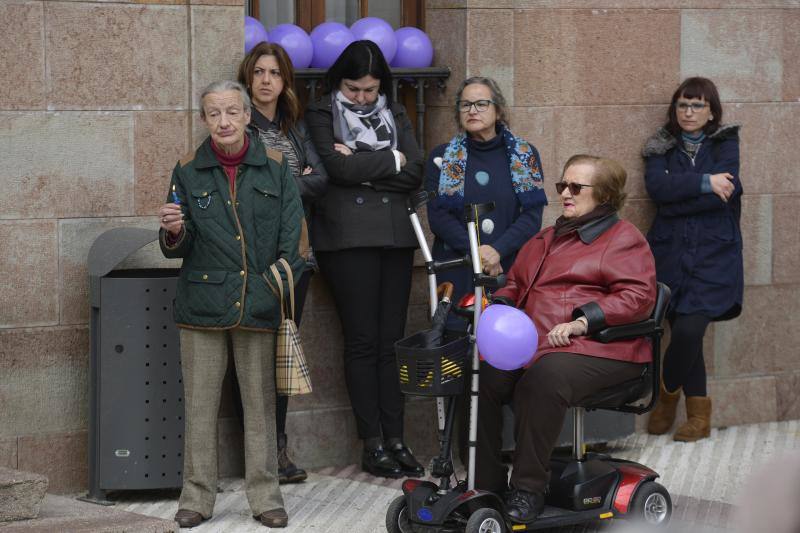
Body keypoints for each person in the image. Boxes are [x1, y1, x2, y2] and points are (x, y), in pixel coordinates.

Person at [477, 155, 657, 523]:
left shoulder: (623, 238)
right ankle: (486, 484)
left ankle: (528, 490)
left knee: (544, 378)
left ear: (604, 195)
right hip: (538, 345)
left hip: (605, 348)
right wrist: (497, 307)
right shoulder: (544, 239)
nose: (565, 194)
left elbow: (639, 296)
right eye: (562, 185)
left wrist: (583, 320)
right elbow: (515, 285)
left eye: (576, 187)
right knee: (483, 375)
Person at [158, 80, 304, 529]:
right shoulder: (186, 169)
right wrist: (174, 232)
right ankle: (196, 498)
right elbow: (177, 246)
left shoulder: (277, 167)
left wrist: (266, 291)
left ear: (245, 116)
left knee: (259, 407)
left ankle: (265, 498)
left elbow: (294, 242)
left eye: (231, 112)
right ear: (204, 120)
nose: (223, 122)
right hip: (201, 305)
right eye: (213, 113)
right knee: (200, 407)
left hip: (258, 303)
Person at [304, 40, 425, 479]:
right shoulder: (320, 113)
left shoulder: (396, 111)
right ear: (339, 81)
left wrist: (369, 164)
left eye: (370, 90)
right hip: (346, 238)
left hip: (395, 236)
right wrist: (390, 161)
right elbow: (336, 173)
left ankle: (397, 438)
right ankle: (372, 442)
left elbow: (417, 170)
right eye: (353, 89)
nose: (361, 98)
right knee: (362, 340)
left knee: (392, 341)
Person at [235, 41, 328, 484]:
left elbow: (322, 179)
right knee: (253, 355)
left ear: (285, 80)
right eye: (259, 72)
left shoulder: (293, 127)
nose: (266, 80)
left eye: (274, 72)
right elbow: (252, 186)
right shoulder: (239, 126)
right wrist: (295, 180)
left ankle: (277, 449)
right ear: (248, 78)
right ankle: (258, 453)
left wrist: (285, 183)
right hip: (256, 260)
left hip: (297, 259)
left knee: (283, 354)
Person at [643, 77, 743, 442]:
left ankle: (666, 397)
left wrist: (680, 190)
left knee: (688, 329)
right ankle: (699, 419)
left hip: (714, 254)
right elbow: (657, 189)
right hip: (670, 252)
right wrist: (706, 183)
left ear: (711, 111)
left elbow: (731, 189)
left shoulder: (725, 142)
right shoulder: (659, 148)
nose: (688, 112)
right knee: (685, 330)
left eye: (697, 105)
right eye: (683, 105)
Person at [426, 76, 546, 330]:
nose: (472, 111)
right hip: (458, 265)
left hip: (506, 267)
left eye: (481, 103)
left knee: (503, 342)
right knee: (456, 345)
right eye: (465, 104)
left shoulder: (524, 155)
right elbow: (439, 217)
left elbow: (532, 216)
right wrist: (477, 253)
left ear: (498, 109)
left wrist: (497, 250)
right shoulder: (442, 158)